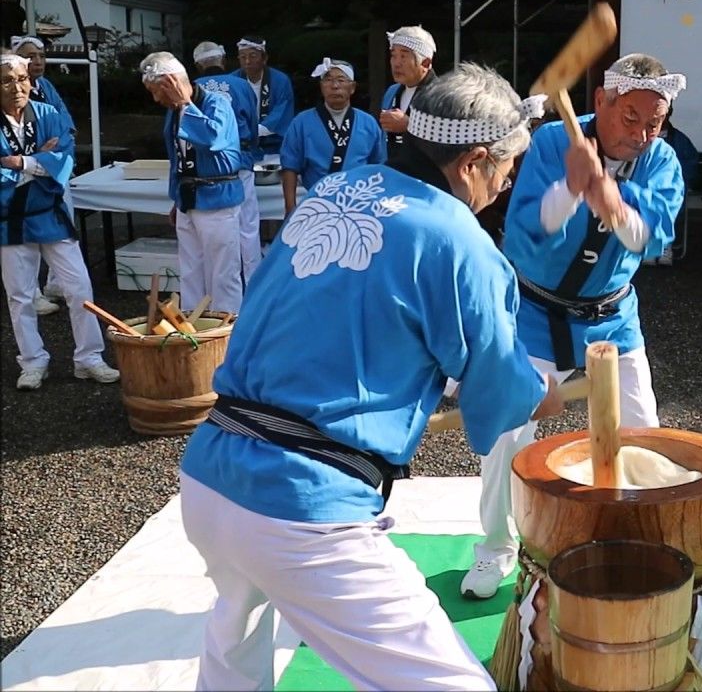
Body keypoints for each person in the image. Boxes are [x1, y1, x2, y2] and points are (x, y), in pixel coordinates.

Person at [178, 62, 558, 691]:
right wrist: (532, 395)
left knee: (233, 659)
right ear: (473, 162)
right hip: (301, 507)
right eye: (508, 163)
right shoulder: (460, 241)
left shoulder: (337, 189)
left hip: (212, 473)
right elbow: (495, 402)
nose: (511, 177)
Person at [460, 53, 685, 600]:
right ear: (601, 101)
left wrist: (614, 200)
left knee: (644, 433)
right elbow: (524, 231)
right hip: (536, 313)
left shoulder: (662, 161)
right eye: (630, 118)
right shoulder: (550, 144)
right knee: (505, 435)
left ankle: (639, 540)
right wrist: (570, 188)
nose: (641, 134)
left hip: (612, 318)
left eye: (654, 123)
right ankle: (495, 548)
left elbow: (651, 238)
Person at [2, 51, 119, 390]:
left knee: (79, 286)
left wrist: (19, 163)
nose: (16, 87)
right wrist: (41, 160)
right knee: (20, 295)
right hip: (10, 218)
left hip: (50, 214)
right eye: (7, 81)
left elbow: (64, 162)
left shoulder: (48, 114)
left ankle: (89, 358)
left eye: (21, 79)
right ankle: (33, 362)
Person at [141, 51, 245, 314]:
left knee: (222, 275)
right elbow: (177, 157)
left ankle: (227, 336)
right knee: (190, 273)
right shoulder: (173, 112)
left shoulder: (217, 104)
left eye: (157, 91)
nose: (155, 99)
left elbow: (211, 138)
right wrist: (177, 199)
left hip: (218, 197)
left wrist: (186, 105)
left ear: (171, 83)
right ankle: (193, 332)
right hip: (188, 199)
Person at [13, 34, 75, 314]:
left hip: (54, 167)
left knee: (63, 221)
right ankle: (32, 292)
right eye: (29, 56)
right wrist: (37, 153)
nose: (36, 62)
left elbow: (65, 127)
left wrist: (53, 152)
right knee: (27, 232)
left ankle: (56, 282)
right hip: (23, 174)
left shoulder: (46, 87)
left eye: (40, 56)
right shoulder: (12, 95)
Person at [193, 40, 262, 284]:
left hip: (205, 170)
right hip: (240, 160)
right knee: (248, 226)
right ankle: (253, 282)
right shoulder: (242, 86)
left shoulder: (190, 89)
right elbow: (253, 125)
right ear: (223, 59)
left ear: (198, 65)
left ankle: (213, 292)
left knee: (213, 234)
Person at [280, 58, 386, 217]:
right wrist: (290, 207)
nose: (334, 86)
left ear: (352, 88)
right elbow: (290, 166)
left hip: (359, 203)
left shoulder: (368, 123)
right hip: (315, 203)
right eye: (328, 80)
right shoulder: (302, 122)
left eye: (341, 80)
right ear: (321, 87)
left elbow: (379, 166)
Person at [381, 25, 438, 174]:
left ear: (425, 63)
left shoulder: (441, 94)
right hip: (393, 172)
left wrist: (410, 125)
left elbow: (447, 139)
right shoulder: (392, 92)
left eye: (404, 56)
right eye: (393, 55)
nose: (396, 63)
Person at [233, 35, 294, 159]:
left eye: (253, 56)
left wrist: (255, 131)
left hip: (274, 145)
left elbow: (281, 113)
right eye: (243, 57)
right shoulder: (232, 81)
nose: (247, 62)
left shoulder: (280, 80)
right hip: (241, 146)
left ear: (264, 58)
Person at [652, 106, 698, 266]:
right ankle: (649, 247)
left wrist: (675, 179)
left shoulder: (679, 140)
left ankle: (665, 245)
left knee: (669, 204)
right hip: (646, 185)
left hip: (670, 186)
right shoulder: (643, 135)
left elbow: (691, 163)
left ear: (668, 114)